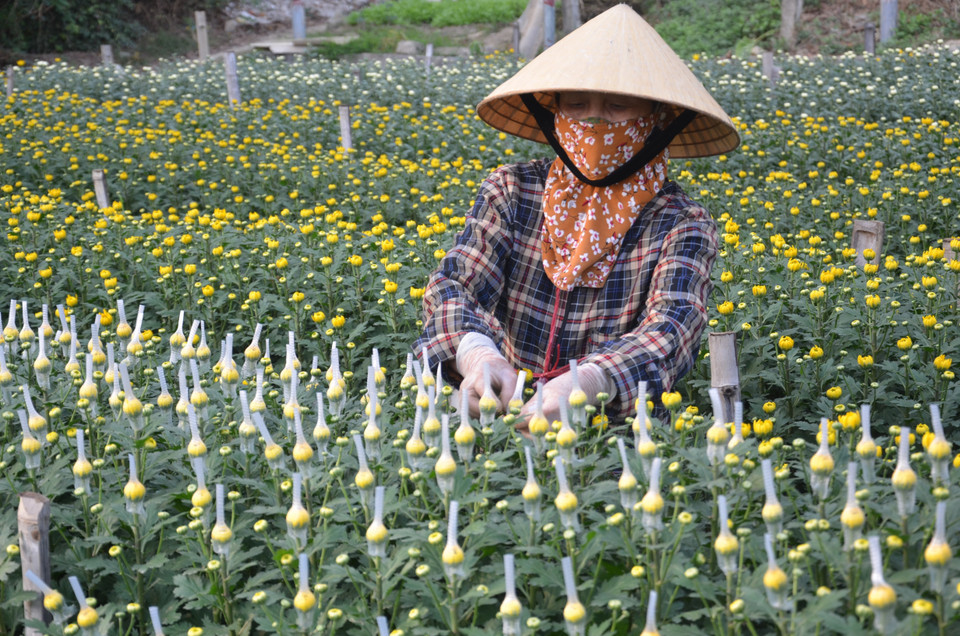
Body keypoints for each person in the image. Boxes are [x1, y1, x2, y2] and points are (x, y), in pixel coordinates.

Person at [413, 5, 739, 429]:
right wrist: (477, 353)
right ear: (555, 113)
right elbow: (454, 286)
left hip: (609, 436)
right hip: (501, 415)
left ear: (657, 119)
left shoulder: (681, 222)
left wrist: (588, 380)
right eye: (577, 103)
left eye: (620, 105)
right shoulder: (513, 191)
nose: (595, 119)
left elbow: (672, 328)